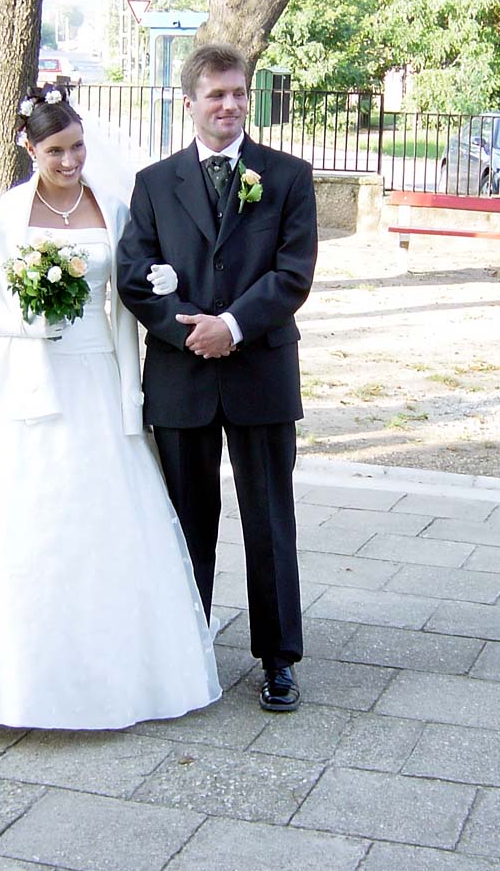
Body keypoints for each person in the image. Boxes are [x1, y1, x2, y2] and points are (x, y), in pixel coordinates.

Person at [0, 85, 221, 729]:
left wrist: (163, 295)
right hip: (18, 377)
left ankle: (115, 664)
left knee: (102, 513)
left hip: (96, 373)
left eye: (77, 146)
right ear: (29, 149)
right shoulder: (7, 215)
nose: (70, 160)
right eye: (56, 150)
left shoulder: (112, 208)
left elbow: (131, 294)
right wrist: (22, 324)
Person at [117, 44, 317, 712]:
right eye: (215, 95)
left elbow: (293, 274)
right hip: (182, 377)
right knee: (185, 522)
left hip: (261, 370)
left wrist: (231, 325)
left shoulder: (287, 176)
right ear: (189, 104)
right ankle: (186, 647)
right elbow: (134, 276)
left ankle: (279, 659)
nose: (229, 105)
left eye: (238, 93)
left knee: (269, 519)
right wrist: (186, 330)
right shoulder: (154, 184)